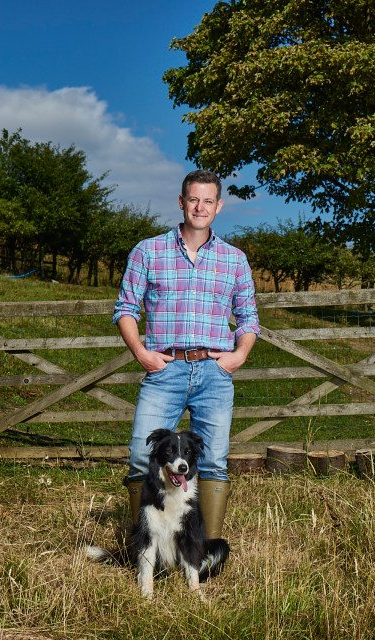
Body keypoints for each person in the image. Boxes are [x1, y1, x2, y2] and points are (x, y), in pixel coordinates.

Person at [112, 169, 260, 539]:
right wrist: (142, 354)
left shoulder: (234, 259)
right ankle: (149, 550)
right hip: (166, 369)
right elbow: (126, 309)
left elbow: (248, 317)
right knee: (139, 458)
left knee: (212, 463)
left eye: (208, 201)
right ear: (181, 202)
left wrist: (238, 356)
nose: (200, 207)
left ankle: (200, 554)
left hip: (214, 372)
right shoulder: (148, 251)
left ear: (218, 206)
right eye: (193, 199)